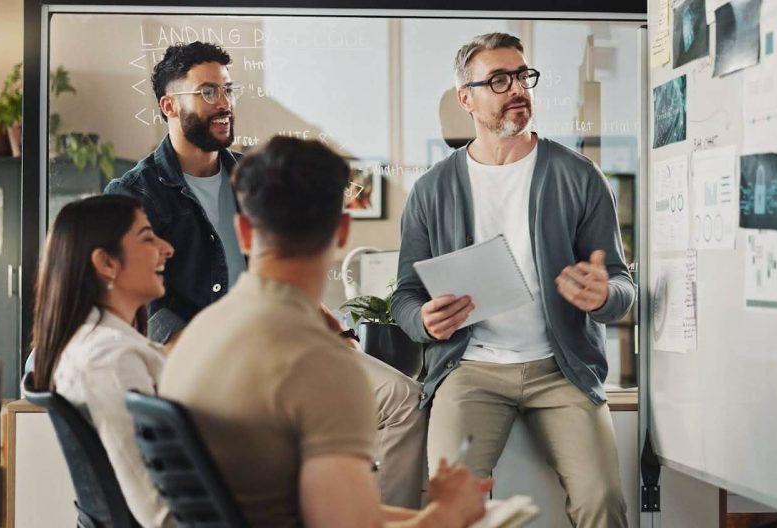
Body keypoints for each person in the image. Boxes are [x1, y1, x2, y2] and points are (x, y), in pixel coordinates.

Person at [105, 41, 426, 508]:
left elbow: (282, 269)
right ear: (169, 105)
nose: (225, 103)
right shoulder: (136, 192)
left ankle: (383, 509)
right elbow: (145, 300)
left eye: (229, 90)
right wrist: (198, 353)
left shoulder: (249, 177)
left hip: (285, 333)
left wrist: (333, 331)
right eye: (209, 91)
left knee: (403, 397)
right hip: (208, 351)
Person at [159, 136, 491, 527]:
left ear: (244, 232)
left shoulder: (198, 334)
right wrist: (448, 515)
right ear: (342, 230)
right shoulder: (322, 366)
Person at [391, 33, 635, 527]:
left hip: (561, 372)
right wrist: (425, 320)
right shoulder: (432, 189)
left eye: (523, 76)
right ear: (467, 98)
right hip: (470, 371)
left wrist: (604, 295)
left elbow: (622, 285)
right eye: (498, 80)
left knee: (602, 499)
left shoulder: (578, 176)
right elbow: (404, 297)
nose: (517, 89)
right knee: (446, 513)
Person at [30, 195, 175, 528]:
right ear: (107, 264)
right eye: (148, 238)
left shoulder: (99, 346)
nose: (167, 249)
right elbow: (156, 514)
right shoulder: (110, 361)